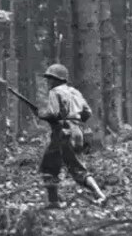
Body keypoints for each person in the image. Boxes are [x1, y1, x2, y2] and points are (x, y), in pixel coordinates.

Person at [36, 64, 106, 209]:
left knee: (63, 168)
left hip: (63, 133)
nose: (48, 82)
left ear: (57, 80)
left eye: (51, 79)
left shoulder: (55, 92)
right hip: (77, 132)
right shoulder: (75, 92)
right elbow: (87, 112)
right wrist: (75, 120)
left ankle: (99, 195)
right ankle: (54, 202)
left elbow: (54, 113)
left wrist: (41, 114)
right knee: (52, 165)